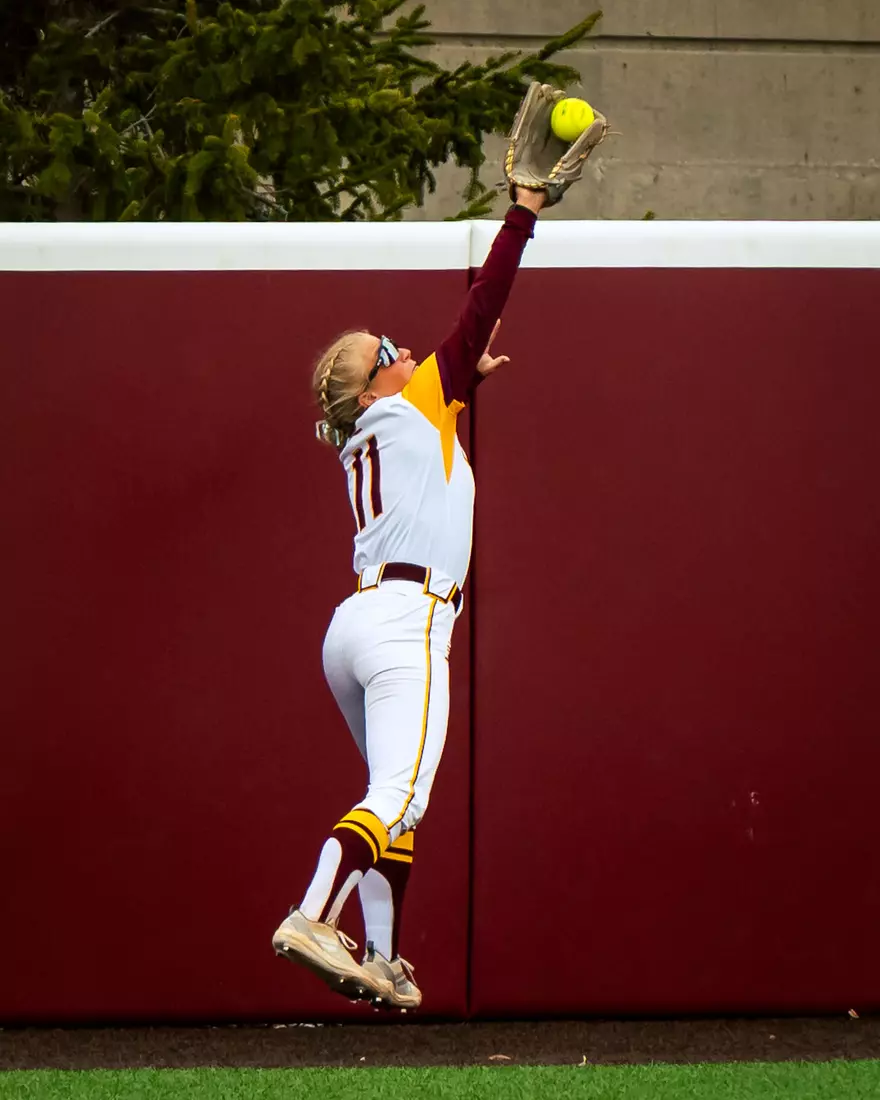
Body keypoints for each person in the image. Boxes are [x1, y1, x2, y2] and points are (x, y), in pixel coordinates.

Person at [271, 184, 546, 1011]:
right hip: (408, 622)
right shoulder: (412, 402)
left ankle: (385, 960)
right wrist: (524, 211)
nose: (403, 349)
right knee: (400, 793)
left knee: (392, 796)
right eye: (389, 347)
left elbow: (434, 411)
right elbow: (485, 301)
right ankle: (313, 915)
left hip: (351, 628)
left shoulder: (379, 426)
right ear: (379, 384)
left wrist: (461, 390)